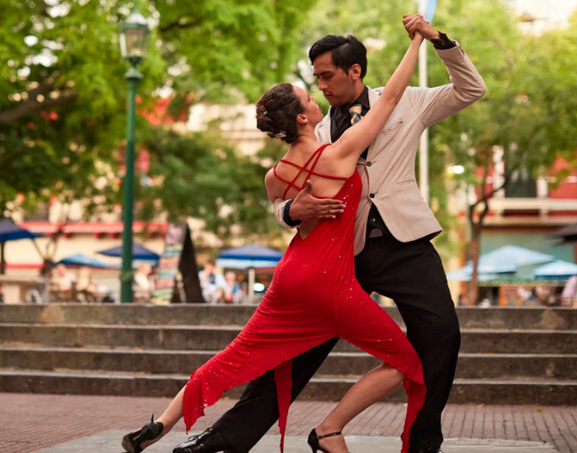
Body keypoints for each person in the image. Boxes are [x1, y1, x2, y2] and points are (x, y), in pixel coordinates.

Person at [174, 14, 485, 453]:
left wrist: (441, 42)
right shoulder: (312, 126)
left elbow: (471, 89)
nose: (320, 85)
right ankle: (226, 439)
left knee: (442, 335)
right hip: (338, 255)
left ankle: (420, 442)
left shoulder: (406, 101)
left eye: (326, 75)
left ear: (354, 70)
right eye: (315, 77)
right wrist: (289, 211)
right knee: (294, 353)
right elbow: (282, 198)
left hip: (405, 245)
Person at [122, 20, 427, 453]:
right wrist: (417, 41)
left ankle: (159, 425)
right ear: (302, 117)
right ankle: (330, 429)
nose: (316, 92)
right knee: (405, 362)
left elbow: (283, 210)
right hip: (332, 284)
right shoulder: (339, 154)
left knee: (234, 356)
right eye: (308, 95)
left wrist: (291, 209)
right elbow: (391, 95)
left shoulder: (275, 176)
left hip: (288, 280)